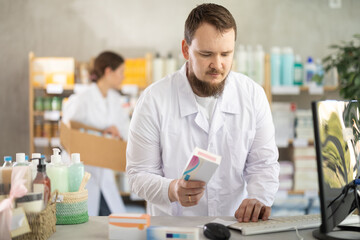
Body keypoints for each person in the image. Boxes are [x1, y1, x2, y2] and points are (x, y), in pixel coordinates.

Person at [126, 3, 279, 222]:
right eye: (206, 54)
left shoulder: (252, 95)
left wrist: (258, 197)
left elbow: (264, 164)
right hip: (175, 228)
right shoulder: (154, 100)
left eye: (226, 54)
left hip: (234, 226)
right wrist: (172, 189)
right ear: (186, 49)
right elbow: (137, 175)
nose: (218, 65)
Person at [62, 51, 130, 216]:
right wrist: (99, 131)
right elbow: (68, 130)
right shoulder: (83, 98)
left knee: (110, 219)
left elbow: (126, 130)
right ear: (108, 72)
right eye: (120, 72)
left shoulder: (114, 99)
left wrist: (117, 132)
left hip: (104, 168)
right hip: (82, 170)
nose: (123, 76)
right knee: (85, 220)